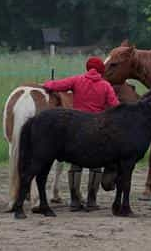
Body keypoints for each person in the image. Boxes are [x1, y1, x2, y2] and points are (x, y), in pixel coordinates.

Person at [43, 57, 120, 211]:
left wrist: (46, 84)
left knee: (75, 164)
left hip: (76, 128)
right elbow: (115, 106)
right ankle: (91, 200)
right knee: (96, 166)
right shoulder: (105, 85)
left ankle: (74, 201)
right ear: (101, 71)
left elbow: (58, 85)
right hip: (97, 128)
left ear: (87, 68)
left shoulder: (77, 80)